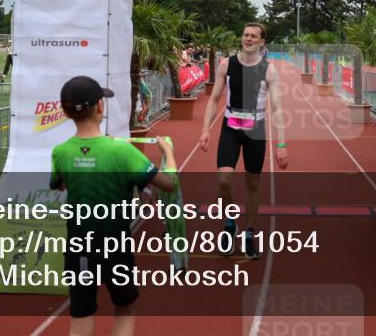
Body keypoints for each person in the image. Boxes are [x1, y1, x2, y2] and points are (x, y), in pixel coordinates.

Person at [50, 76, 177, 336]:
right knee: (125, 308)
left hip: (78, 247)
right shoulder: (123, 152)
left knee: (81, 314)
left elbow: (60, 185)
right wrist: (168, 153)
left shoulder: (60, 152)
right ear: (100, 107)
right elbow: (169, 184)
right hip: (115, 248)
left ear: (65, 111)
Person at [198, 22, 287, 260]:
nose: (248, 38)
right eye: (245, 35)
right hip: (230, 128)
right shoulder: (227, 65)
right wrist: (205, 130)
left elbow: (277, 109)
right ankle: (230, 224)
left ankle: (249, 231)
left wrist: (281, 145)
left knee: (253, 185)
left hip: (255, 131)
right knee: (224, 181)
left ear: (261, 42)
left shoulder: (268, 71)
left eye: (253, 36)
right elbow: (214, 99)